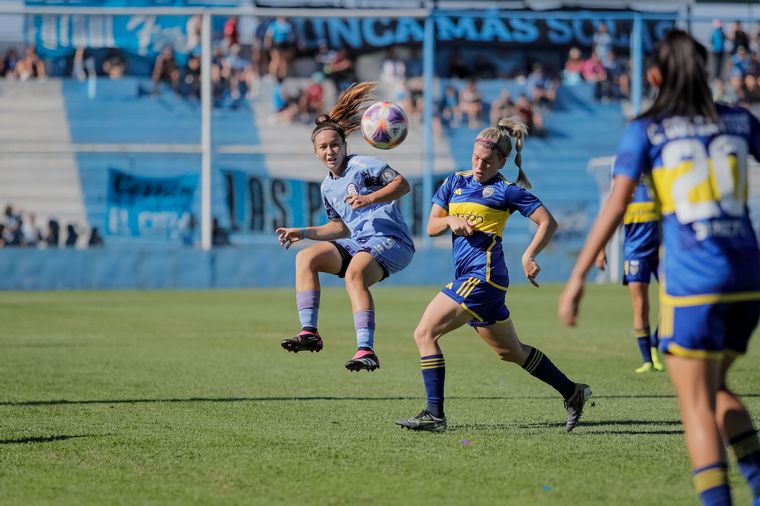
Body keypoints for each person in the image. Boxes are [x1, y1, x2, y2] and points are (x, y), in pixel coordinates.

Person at [559, 30, 760, 505]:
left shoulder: (646, 128)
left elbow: (615, 205)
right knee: (714, 388)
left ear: (653, 76)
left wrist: (577, 277)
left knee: (694, 403)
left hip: (695, 281)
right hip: (748, 278)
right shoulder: (739, 120)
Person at [396, 116, 591, 434]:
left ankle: (434, 415)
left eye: (487, 161)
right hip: (473, 279)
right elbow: (431, 227)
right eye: (475, 158)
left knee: (424, 334)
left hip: (483, 277)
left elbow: (548, 222)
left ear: (502, 160)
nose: (478, 165)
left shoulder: (506, 190)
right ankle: (573, 392)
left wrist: (528, 255)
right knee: (510, 351)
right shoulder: (454, 182)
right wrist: (450, 222)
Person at [275, 82, 415, 372]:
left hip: (392, 240)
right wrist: (301, 233)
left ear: (345, 146)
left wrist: (370, 198)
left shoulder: (365, 164)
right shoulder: (328, 186)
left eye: (335, 145)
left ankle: (366, 349)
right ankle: (309, 333)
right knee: (306, 257)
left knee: (354, 275)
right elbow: (338, 228)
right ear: (315, 153)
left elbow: (402, 184)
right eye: (323, 147)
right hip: (361, 243)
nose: (330, 151)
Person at [595, 177, 664, 373]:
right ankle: (647, 360)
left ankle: (655, 342)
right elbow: (612, 220)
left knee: (672, 303)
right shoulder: (625, 187)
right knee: (641, 305)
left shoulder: (660, 181)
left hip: (663, 253)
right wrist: (601, 249)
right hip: (635, 254)